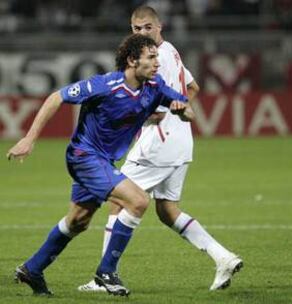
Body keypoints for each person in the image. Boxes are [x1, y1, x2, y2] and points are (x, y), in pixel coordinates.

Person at [8, 34, 190, 297]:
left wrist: (181, 108)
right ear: (132, 60)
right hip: (84, 156)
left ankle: (32, 269)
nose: (157, 63)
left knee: (78, 221)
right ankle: (107, 271)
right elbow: (56, 97)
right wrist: (29, 138)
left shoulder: (155, 86)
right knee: (138, 201)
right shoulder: (104, 85)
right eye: (151, 58)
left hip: (103, 160)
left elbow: (188, 110)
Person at [78, 5, 243, 293]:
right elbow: (192, 88)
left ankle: (104, 277)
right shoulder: (171, 52)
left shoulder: (154, 59)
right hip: (181, 142)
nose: (142, 33)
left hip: (158, 143)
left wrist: (153, 111)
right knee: (167, 210)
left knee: (118, 201)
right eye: (136, 29)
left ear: (159, 26)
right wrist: (176, 106)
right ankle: (223, 257)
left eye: (147, 28)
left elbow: (155, 109)